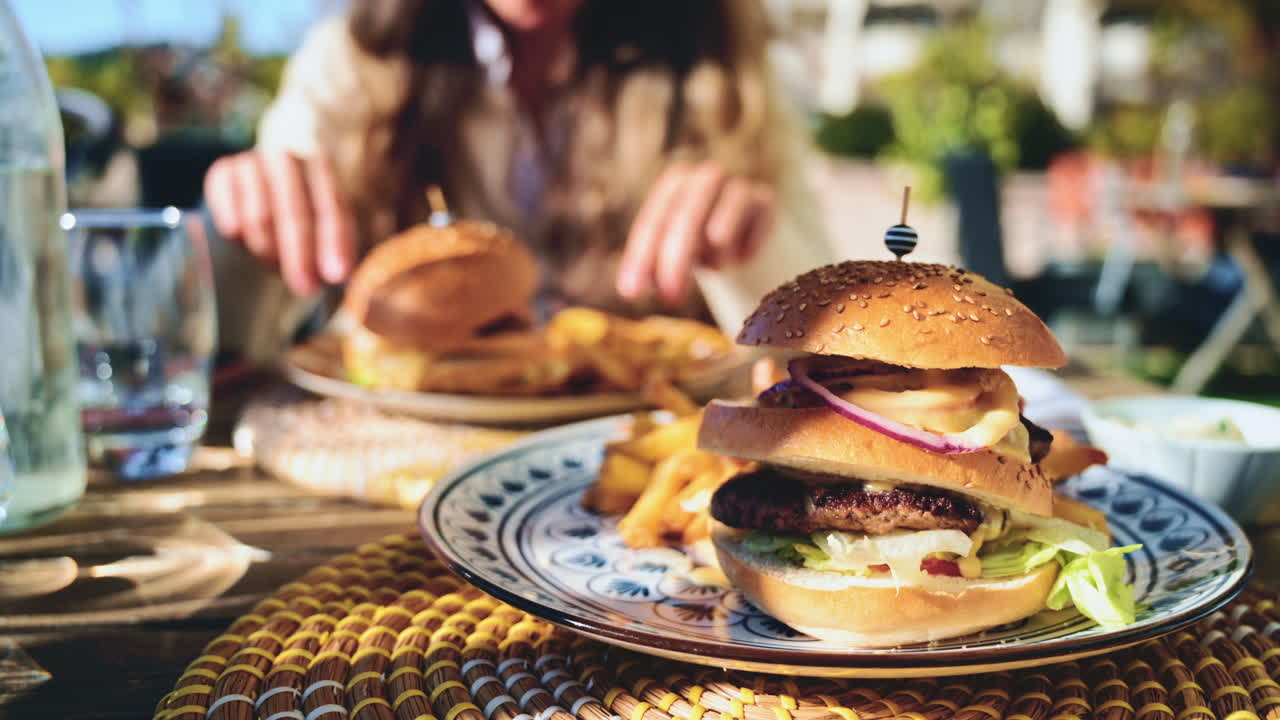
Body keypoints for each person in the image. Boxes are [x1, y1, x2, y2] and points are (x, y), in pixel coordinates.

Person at [204, 0, 832, 356]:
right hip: (386, 468)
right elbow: (233, 347)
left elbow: (842, 361)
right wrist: (238, 234)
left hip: (621, 484)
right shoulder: (345, 62)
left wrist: (750, 249)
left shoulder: (725, 66)